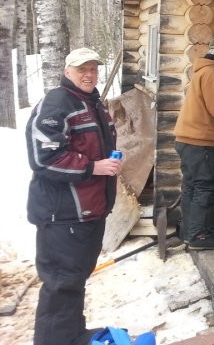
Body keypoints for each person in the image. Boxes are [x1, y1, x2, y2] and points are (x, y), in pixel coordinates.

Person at [26, 47, 122, 345]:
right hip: (62, 215)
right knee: (60, 284)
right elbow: (44, 158)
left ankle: (70, 336)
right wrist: (94, 166)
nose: (89, 74)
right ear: (67, 71)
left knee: (74, 280)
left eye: (93, 68)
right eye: (82, 69)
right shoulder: (57, 103)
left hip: (87, 214)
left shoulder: (92, 102)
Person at [174, 41, 214, 250]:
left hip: (187, 138)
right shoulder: (213, 73)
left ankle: (190, 231)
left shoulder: (204, 70)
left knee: (191, 187)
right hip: (202, 140)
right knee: (205, 187)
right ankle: (198, 236)